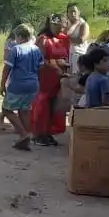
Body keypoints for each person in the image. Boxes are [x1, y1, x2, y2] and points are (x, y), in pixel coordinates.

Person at [1, 24, 44, 151]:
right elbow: (41, 67)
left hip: (18, 84)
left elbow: (7, 68)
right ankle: (26, 137)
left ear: (20, 36)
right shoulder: (36, 49)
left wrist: (2, 84)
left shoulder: (16, 49)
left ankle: (23, 134)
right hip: (33, 84)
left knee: (6, 109)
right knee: (25, 110)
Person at [32, 14, 71, 146]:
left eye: (62, 25)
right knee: (43, 105)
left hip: (58, 77)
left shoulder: (63, 39)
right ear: (50, 25)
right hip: (45, 76)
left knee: (55, 106)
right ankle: (39, 134)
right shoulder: (43, 39)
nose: (60, 28)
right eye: (57, 25)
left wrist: (64, 65)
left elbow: (66, 55)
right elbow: (40, 60)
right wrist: (55, 65)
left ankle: (49, 132)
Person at [65, 3, 90, 70]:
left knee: (77, 76)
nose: (73, 14)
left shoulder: (83, 24)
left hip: (79, 54)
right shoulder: (66, 23)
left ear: (79, 12)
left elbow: (81, 40)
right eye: (70, 12)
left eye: (74, 11)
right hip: (68, 54)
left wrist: (67, 38)